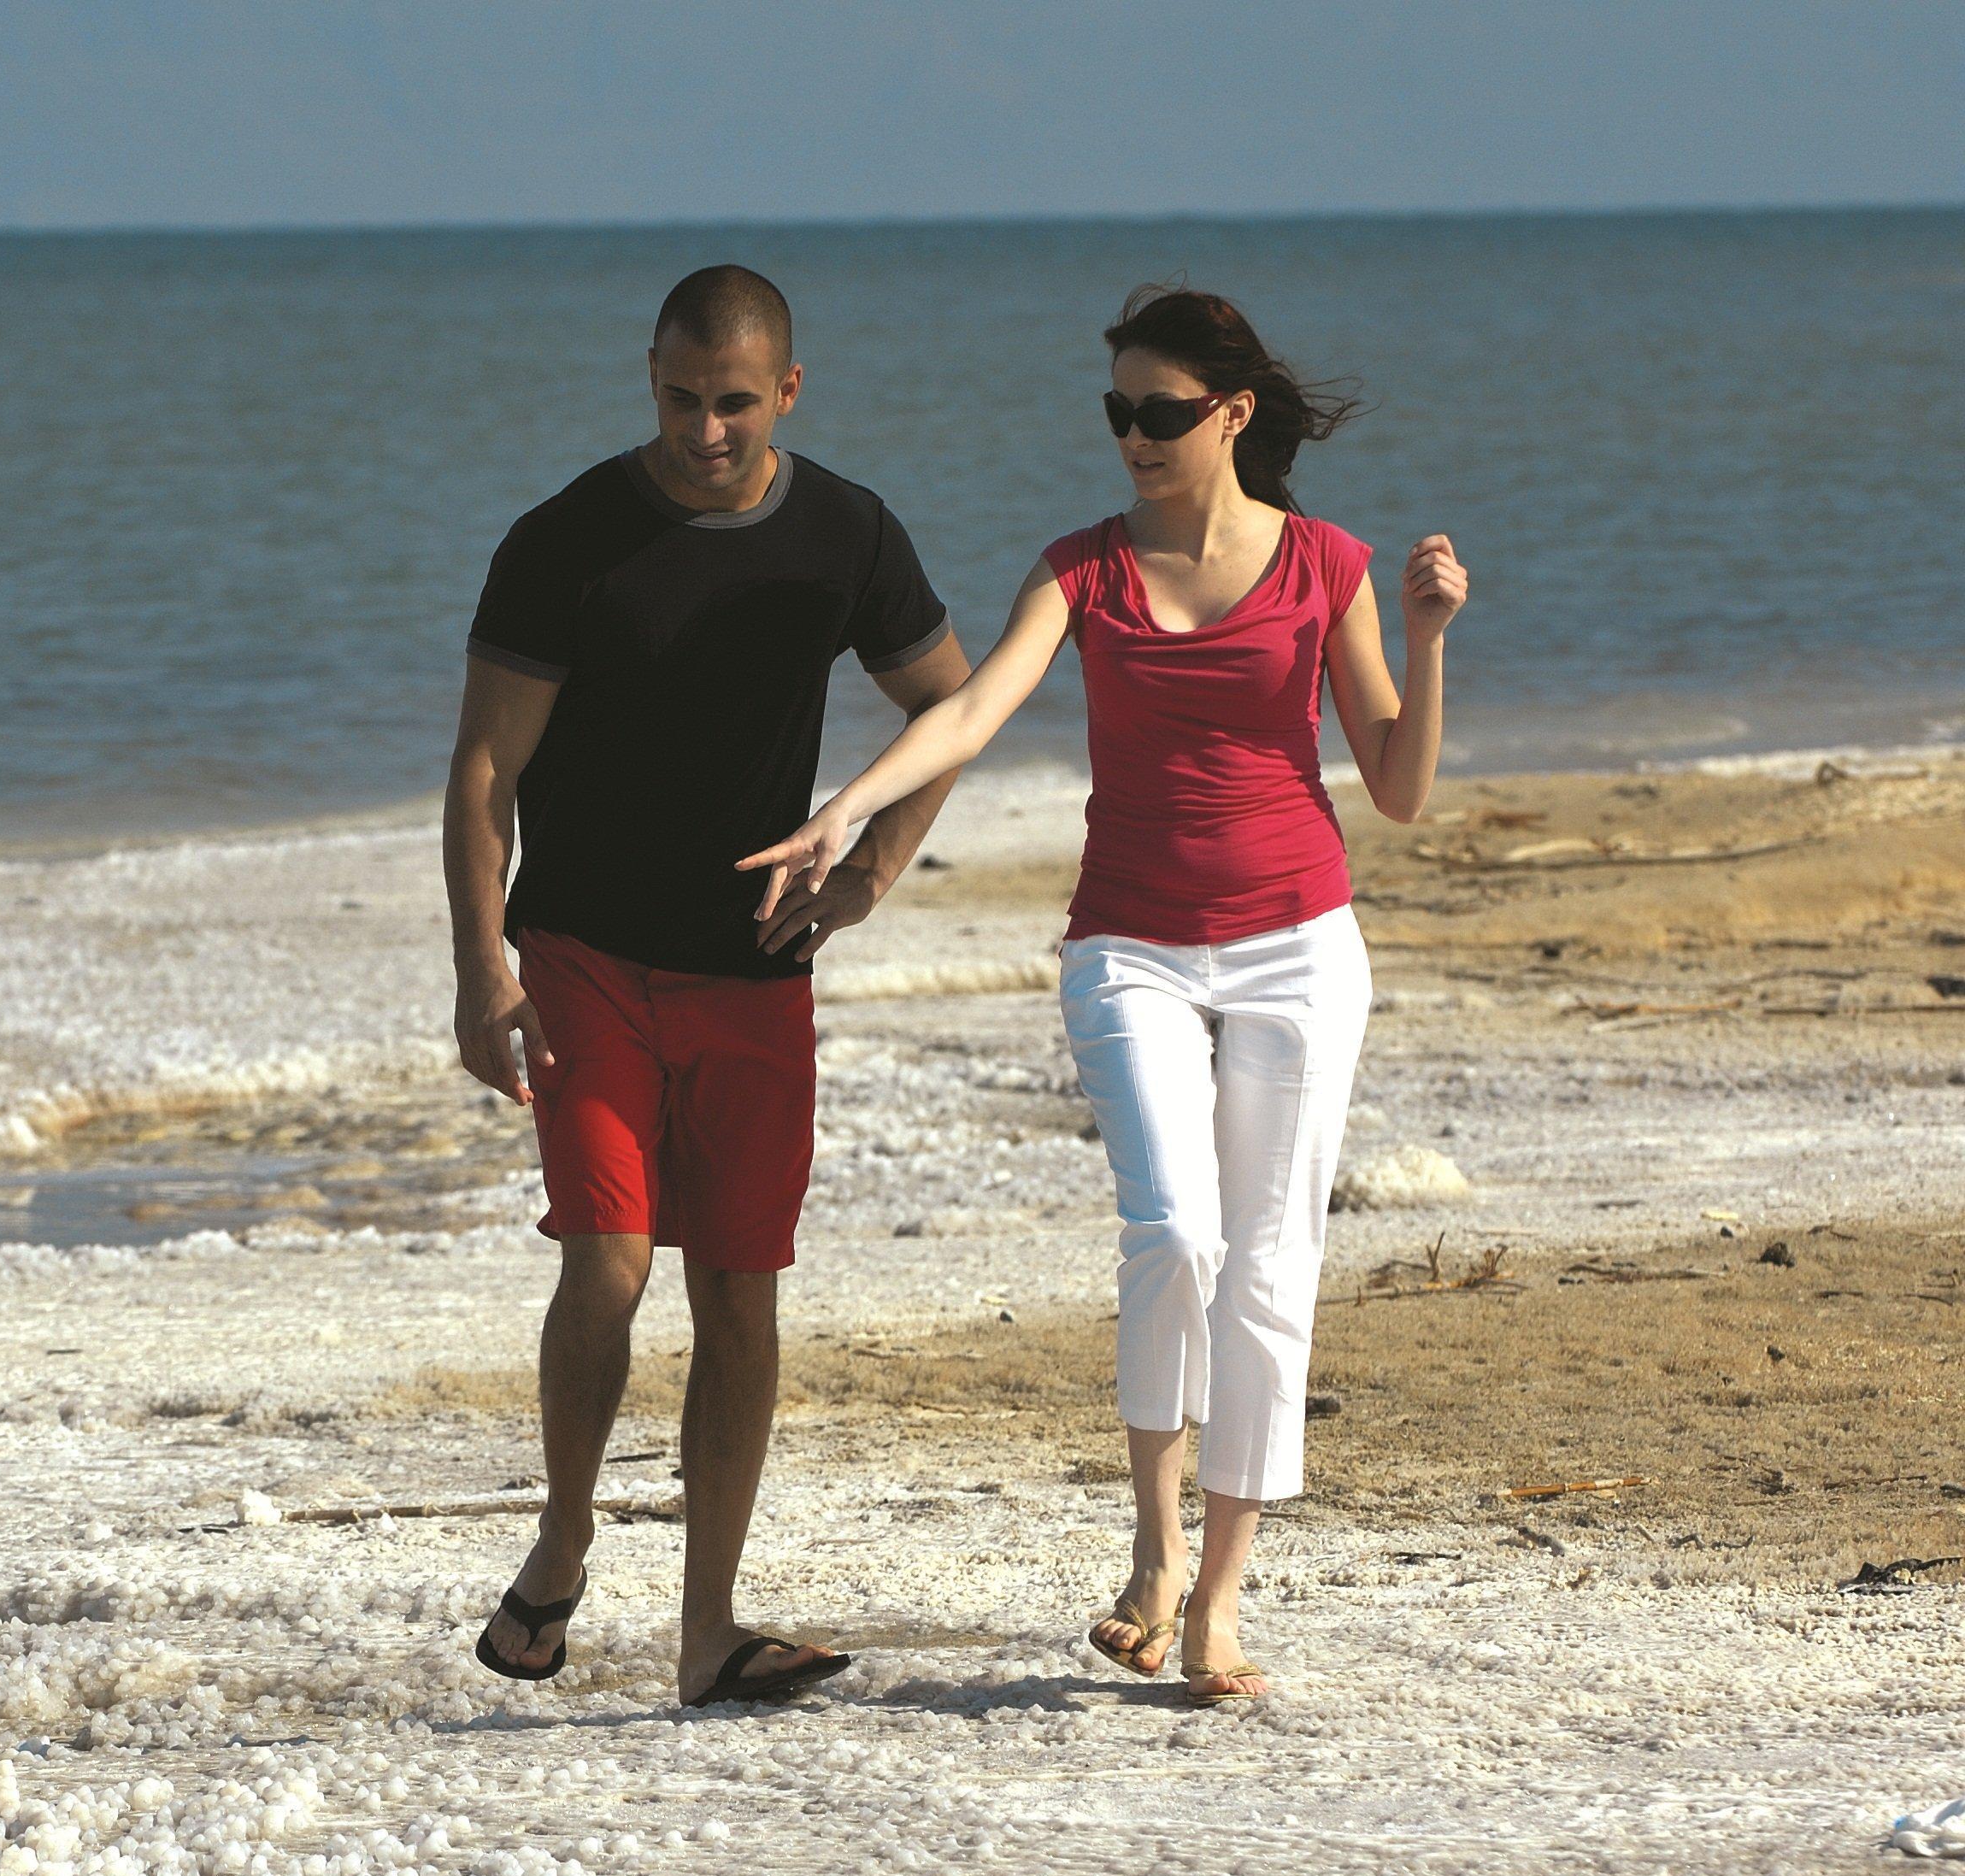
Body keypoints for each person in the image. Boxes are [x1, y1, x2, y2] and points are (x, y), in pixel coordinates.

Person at [741, 285, 1469, 1704]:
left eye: (1163, 412)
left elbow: (1401, 786)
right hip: (1127, 944)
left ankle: (1220, 1599)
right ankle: (1149, 1547)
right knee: (1175, 1233)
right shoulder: (1083, 570)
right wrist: (851, 807)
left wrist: (1431, 639)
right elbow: (967, 708)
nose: (1135, 435)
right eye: (1118, 411)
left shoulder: (1328, 563)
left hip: (1298, 944)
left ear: (1232, 416)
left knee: (1272, 1265)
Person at [448, 264, 973, 1706]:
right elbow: (486, 770)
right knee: (609, 1265)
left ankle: (707, 1631)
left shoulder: (846, 533)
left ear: (786, 392)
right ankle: (561, 1549)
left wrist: (867, 877)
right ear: (652, 378)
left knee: (740, 1291)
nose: (705, 429)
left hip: (753, 970)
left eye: (733, 402)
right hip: (584, 959)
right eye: (680, 397)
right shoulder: (568, 539)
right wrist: (477, 963)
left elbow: (951, 703)